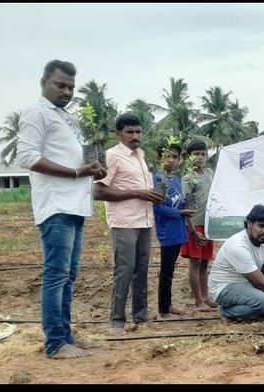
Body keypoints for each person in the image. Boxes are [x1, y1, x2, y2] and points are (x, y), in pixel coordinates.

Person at [16, 59, 107, 359]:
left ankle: (65, 334)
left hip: (75, 205)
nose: (67, 91)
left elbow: (72, 160)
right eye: (60, 85)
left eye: (71, 87)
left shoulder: (67, 118)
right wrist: (76, 173)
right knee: (56, 275)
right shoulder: (36, 112)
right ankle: (55, 343)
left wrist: (91, 170)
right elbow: (27, 156)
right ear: (43, 82)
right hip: (55, 205)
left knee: (68, 275)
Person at [94, 113, 164, 335]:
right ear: (119, 134)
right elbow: (98, 190)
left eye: (138, 131)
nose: (135, 136)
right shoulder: (112, 156)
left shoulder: (140, 156)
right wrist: (138, 193)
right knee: (124, 270)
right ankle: (117, 321)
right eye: (130, 132)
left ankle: (141, 317)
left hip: (144, 220)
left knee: (142, 270)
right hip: (124, 222)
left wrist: (151, 195)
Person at [152, 142, 193, 319]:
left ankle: (168, 305)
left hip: (178, 231)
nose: (171, 160)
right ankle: (164, 310)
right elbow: (158, 207)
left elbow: (182, 202)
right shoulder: (158, 180)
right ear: (159, 158)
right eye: (167, 156)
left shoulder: (176, 180)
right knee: (166, 272)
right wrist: (180, 212)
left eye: (175, 157)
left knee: (170, 271)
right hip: (167, 231)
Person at [180, 141, 217, 311]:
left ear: (207, 156)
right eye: (196, 154)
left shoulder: (210, 174)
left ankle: (205, 296)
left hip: (208, 225)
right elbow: (188, 206)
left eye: (203, 154)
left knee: (205, 263)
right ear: (189, 157)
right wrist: (193, 230)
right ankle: (198, 301)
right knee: (194, 263)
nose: (200, 157)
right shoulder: (188, 179)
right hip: (194, 225)